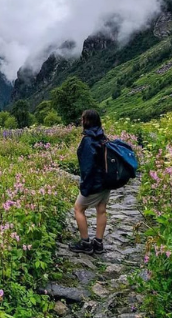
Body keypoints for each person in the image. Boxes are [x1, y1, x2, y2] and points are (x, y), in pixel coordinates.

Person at [71, 109, 110, 254]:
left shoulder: (88, 140)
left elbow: (88, 167)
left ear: (86, 121)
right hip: (106, 181)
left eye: (83, 119)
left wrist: (84, 187)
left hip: (94, 183)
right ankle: (98, 244)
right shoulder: (103, 137)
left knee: (78, 208)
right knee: (101, 209)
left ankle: (85, 243)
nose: (81, 121)